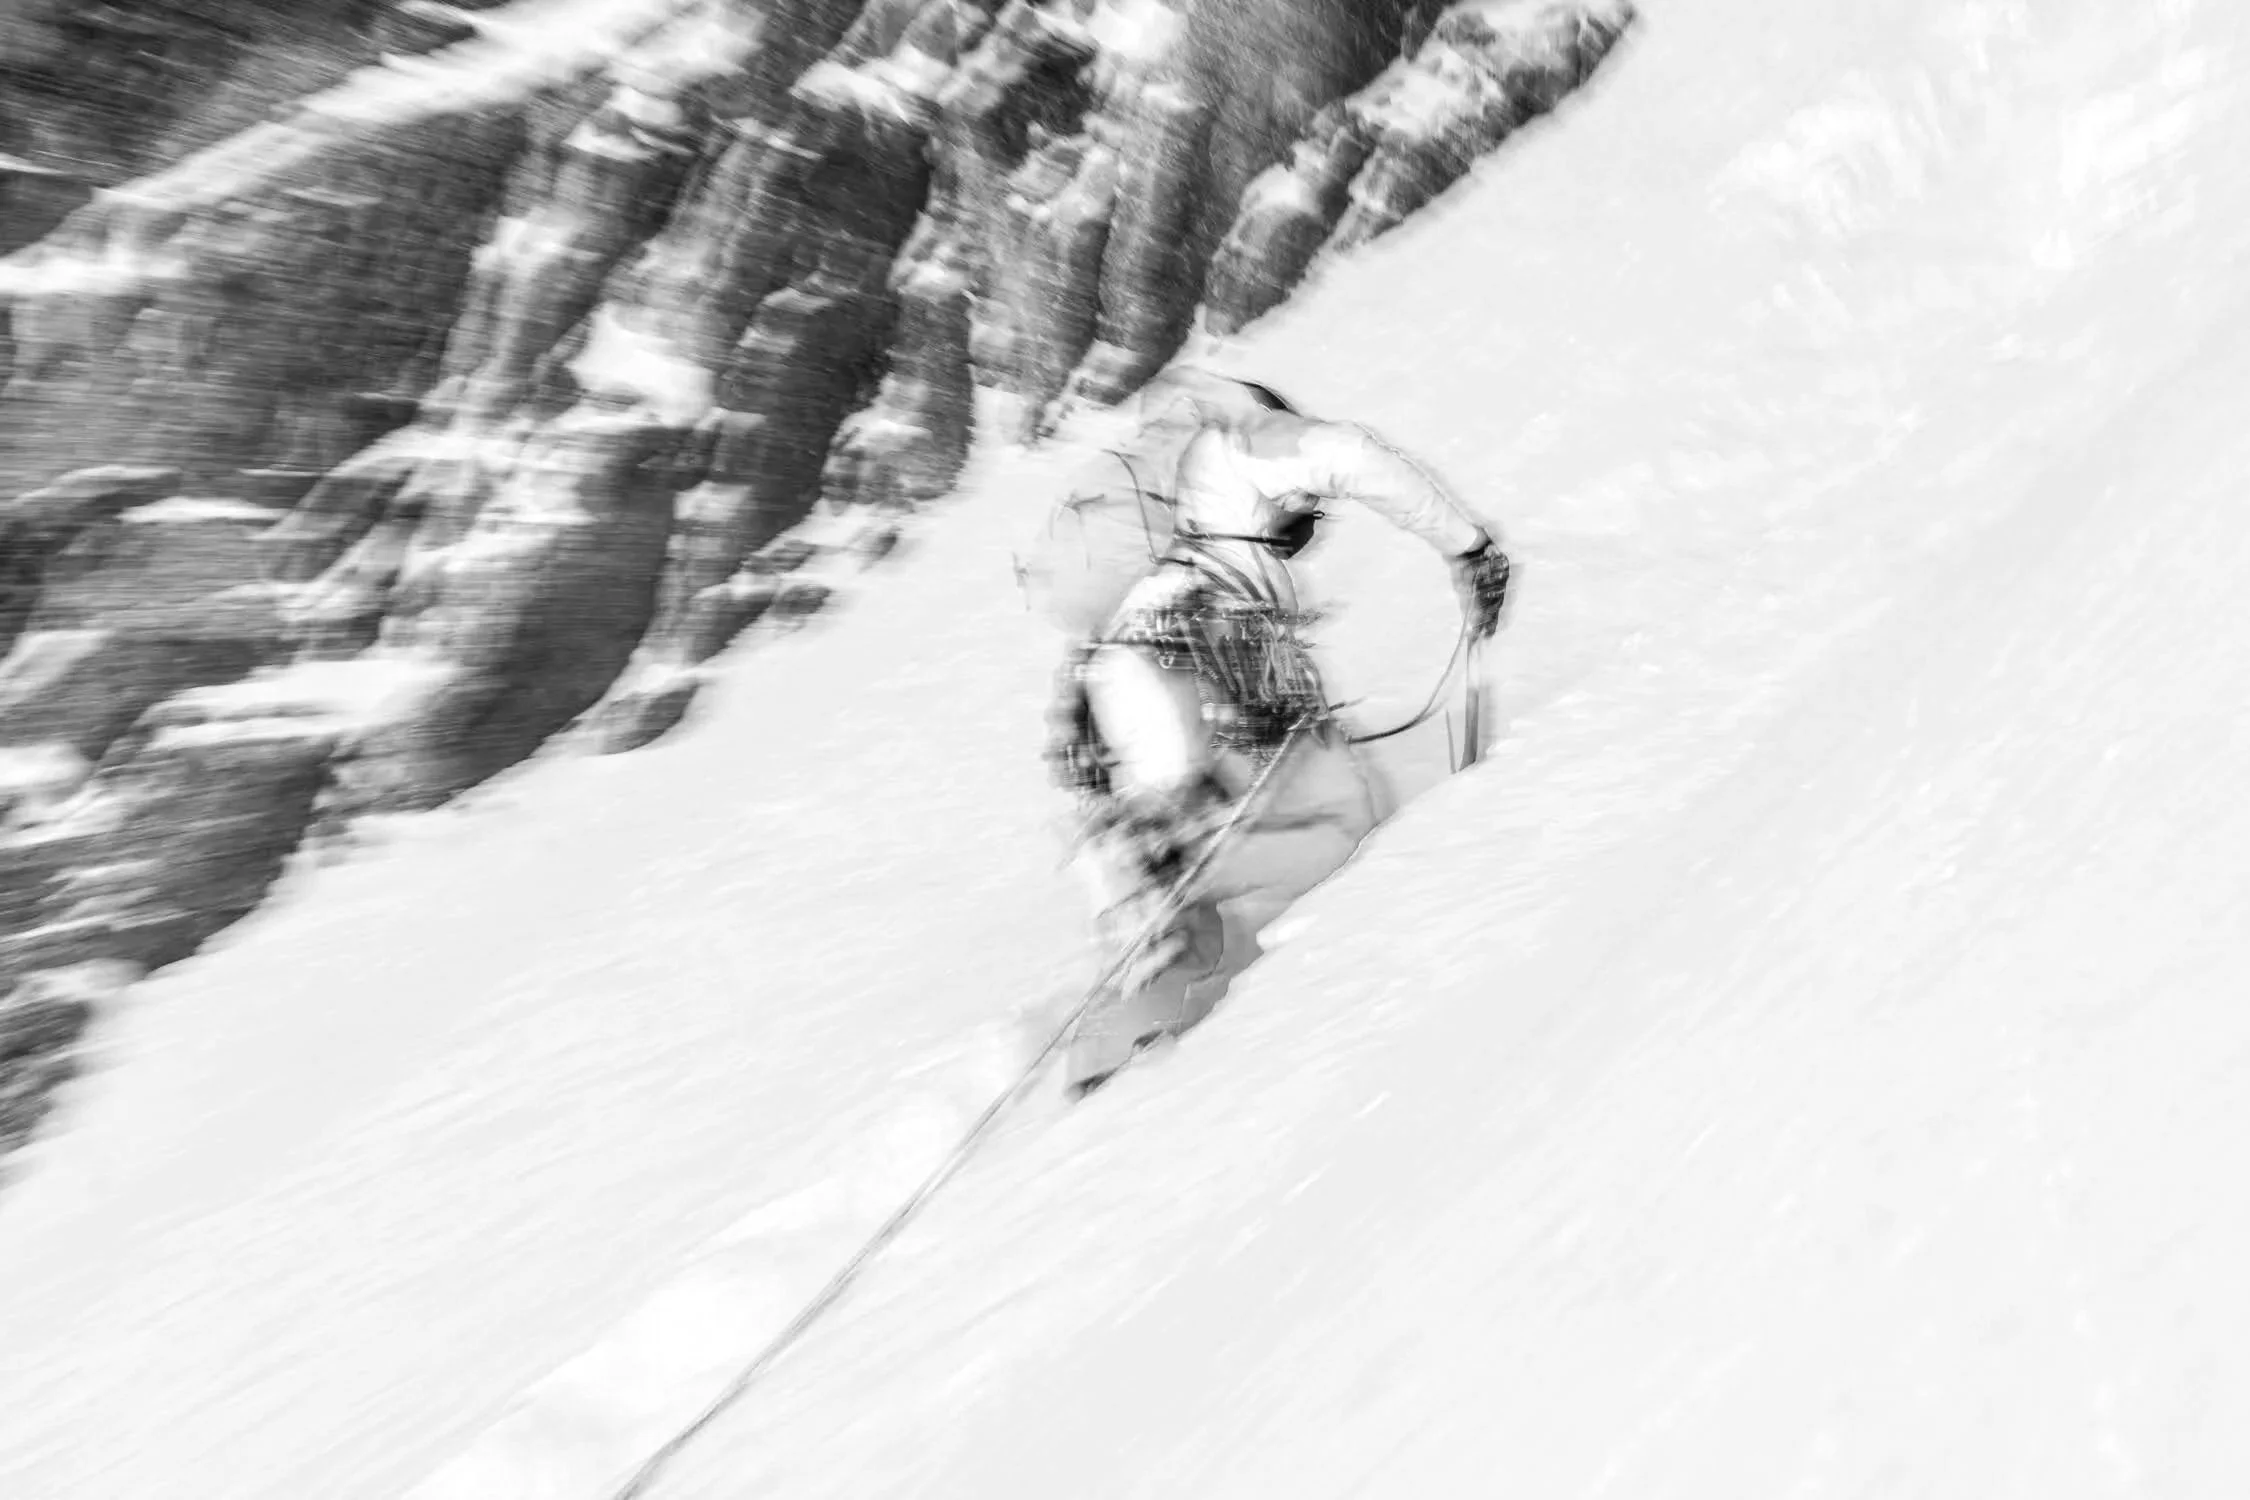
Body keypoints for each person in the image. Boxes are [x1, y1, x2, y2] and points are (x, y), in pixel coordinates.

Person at [1045, 369, 1511, 1095]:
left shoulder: (1153, 540)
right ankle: (1189, 990)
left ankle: (1120, 1037)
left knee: (1176, 869)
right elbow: (1351, 452)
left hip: (1123, 684)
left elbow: (1103, 714)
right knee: (1340, 821)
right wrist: (1468, 546)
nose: (1303, 520)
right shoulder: (1241, 442)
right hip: (1200, 664)